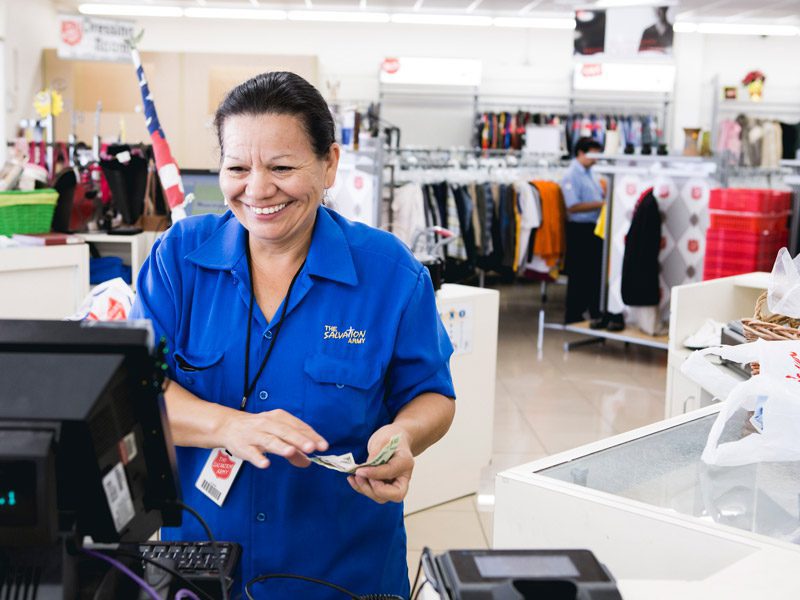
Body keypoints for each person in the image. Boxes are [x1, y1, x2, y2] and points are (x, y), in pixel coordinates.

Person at [130, 71, 456, 599]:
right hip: (202, 568)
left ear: (329, 163)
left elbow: (432, 394)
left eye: (281, 167)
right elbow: (135, 391)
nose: (257, 190)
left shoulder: (390, 274)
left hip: (341, 573)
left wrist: (403, 436)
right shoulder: (179, 261)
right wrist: (228, 426)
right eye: (237, 168)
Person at [561, 137, 605, 325]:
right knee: (578, 273)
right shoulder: (571, 175)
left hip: (593, 228)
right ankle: (573, 314)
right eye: (592, 154)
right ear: (580, 152)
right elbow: (572, 206)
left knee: (592, 272)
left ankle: (590, 310)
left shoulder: (591, 174)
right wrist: (601, 204)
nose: (595, 158)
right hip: (579, 229)